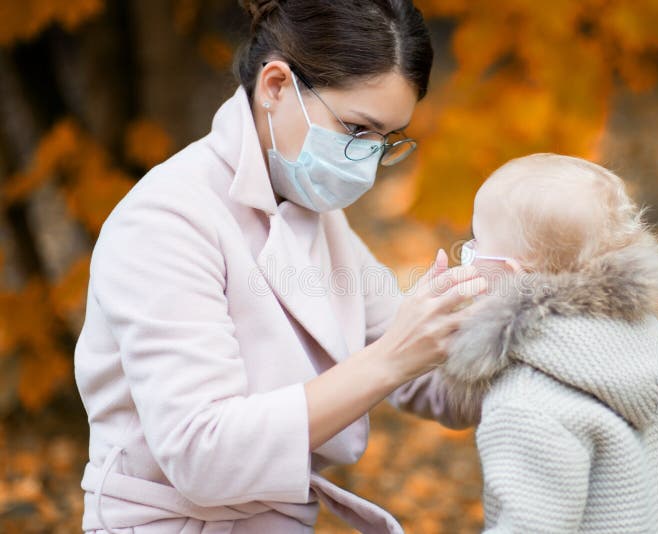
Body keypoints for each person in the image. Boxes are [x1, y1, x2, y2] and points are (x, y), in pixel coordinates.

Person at [74, 1, 486, 532]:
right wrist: (391, 358)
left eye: (386, 141)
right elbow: (203, 454)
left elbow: (434, 378)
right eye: (357, 130)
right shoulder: (166, 218)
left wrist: (543, 327)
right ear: (275, 86)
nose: (369, 161)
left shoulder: (315, 211)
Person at [440, 153, 658, 532]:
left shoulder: (525, 401)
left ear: (511, 272)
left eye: (475, 241)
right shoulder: (641, 337)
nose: (468, 252)